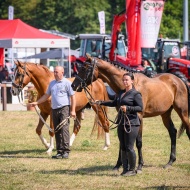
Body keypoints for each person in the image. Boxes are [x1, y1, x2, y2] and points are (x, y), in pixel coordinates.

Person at [96, 72, 143, 176]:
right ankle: (125, 169)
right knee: (123, 146)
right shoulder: (121, 93)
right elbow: (114, 103)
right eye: (123, 80)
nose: (125, 82)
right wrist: (101, 102)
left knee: (130, 147)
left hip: (132, 123)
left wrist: (128, 108)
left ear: (132, 81)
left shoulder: (136, 94)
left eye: (127, 80)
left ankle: (132, 170)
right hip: (121, 122)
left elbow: (140, 108)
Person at [30, 66, 76, 159]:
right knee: (57, 130)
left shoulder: (67, 83)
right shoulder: (52, 84)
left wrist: (73, 110)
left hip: (64, 108)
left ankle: (66, 151)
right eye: (54, 72)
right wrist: (37, 102)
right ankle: (59, 151)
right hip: (54, 109)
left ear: (62, 72)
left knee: (64, 129)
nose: (54, 74)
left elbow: (73, 97)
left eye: (56, 72)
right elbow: (46, 95)